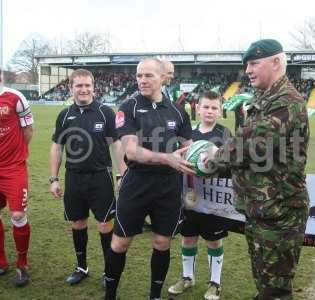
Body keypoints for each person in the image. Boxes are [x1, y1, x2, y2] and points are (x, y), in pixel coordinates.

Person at [201, 39, 310, 300]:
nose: (248, 70)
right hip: (264, 208)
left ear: (276, 62)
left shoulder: (285, 102)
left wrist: (210, 160)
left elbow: (248, 147)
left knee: (274, 290)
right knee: (266, 283)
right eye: (246, 64)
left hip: (279, 213)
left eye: (254, 63)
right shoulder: (266, 97)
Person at [104, 58, 194, 300]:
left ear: (163, 77)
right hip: (137, 183)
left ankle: (154, 295)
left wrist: (206, 156)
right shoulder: (128, 107)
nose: (142, 80)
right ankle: (110, 294)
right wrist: (168, 158)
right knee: (120, 243)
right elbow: (131, 152)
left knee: (162, 242)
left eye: (148, 75)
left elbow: (190, 147)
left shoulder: (177, 110)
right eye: (139, 75)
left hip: (169, 187)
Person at [49, 69, 126, 286]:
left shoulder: (105, 113)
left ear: (94, 87)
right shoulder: (64, 115)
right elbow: (57, 148)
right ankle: (81, 267)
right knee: (78, 222)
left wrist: (122, 174)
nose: (83, 89)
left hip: (100, 178)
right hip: (74, 178)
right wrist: (53, 179)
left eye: (87, 85)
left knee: (105, 224)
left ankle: (108, 271)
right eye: (79, 85)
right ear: (71, 87)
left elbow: (117, 145)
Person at [168, 90, 231, 300]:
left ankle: (215, 283)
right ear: (197, 108)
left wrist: (211, 165)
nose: (210, 111)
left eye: (214, 108)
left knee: (214, 241)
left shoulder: (225, 134)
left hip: (214, 201)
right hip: (190, 199)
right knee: (188, 238)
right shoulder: (188, 135)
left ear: (220, 111)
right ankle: (187, 277)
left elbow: (231, 165)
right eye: (206, 107)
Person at [0, 68, 34, 286]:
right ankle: (1, 260)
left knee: (18, 215)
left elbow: (29, 130)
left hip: (13, 168)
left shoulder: (15, 97)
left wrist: (17, 155)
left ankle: (22, 264)